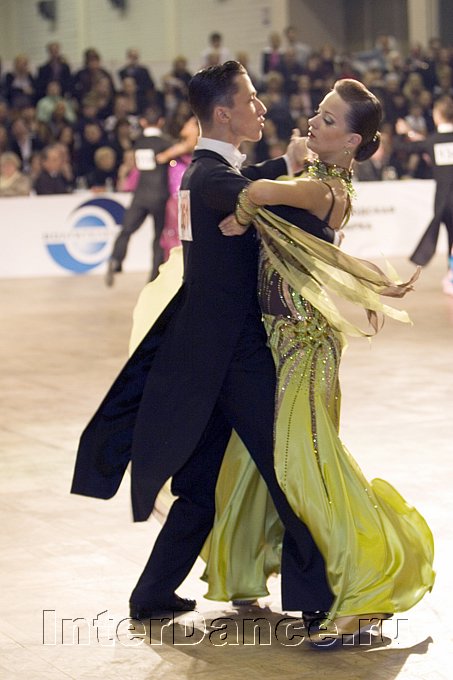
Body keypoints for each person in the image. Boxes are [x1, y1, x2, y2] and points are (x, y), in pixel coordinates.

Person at [72, 61, 339, 625]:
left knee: (198, 486)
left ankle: (151, 594)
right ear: (224, 113)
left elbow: (249, 182)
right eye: (251, 99)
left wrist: (284, 165)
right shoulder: (215, 182)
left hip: (204, 358)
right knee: (286, 471)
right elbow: (274, 204)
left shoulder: (205, 174)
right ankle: (318, 600)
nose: (260, 107)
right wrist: (330, 195)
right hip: (235, 357)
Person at [206, 78, 435, 643]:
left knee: (303, 466)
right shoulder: (316, 180)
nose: (314, 122)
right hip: (276, 337)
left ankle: (365, 587)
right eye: (319, 112)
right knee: (259, 457)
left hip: (304, 343)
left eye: (329, 120)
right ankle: (249, 567)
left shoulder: (322, 189)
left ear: (352, 141)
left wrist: (247, 203)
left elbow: (259, 193)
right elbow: (296, 226)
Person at [105, 106, 173, 285]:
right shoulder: (166, 143)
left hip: (141, 194)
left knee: (126, 230)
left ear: (143, 122)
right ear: (161, 122)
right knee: (158, 237)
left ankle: (116, 258)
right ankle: (154, 276)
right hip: (160, 194)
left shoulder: (138, 143)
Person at [396, 96, 453, 289]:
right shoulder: (432, 141)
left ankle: (451, 274)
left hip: (443, 202)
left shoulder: (432, 141)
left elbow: (404, 147)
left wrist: (403, 133)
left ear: (437, 116)